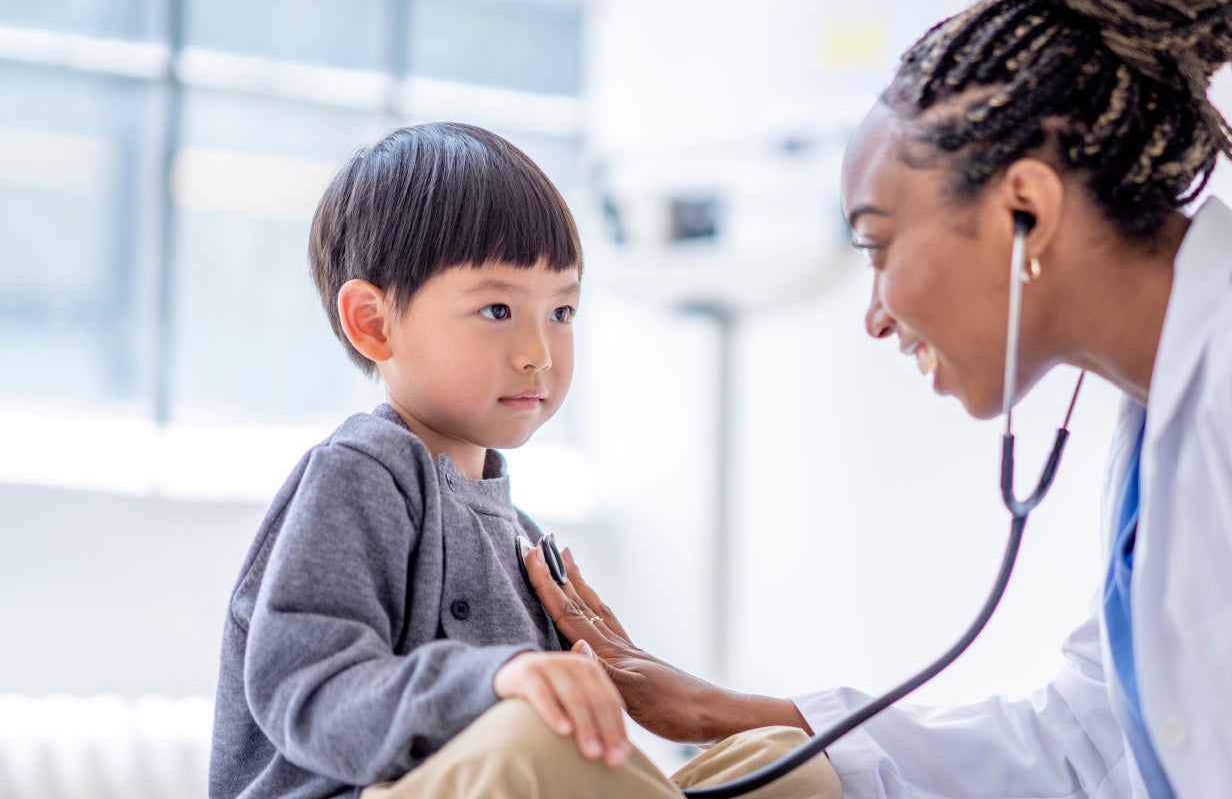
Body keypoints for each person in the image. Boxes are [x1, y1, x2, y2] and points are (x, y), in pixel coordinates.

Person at [519, 0, 1232, 797]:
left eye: (880, 243)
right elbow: (1084, 745)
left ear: (1025, 211)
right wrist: (713, 710)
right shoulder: (1164, 415)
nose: (875, 313)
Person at [208, 122, 842, 799]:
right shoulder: (361, 473)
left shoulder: (525, 537)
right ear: (374, 322)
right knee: (530, 737)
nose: (538, 350)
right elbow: (306, 685)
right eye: (499, 308)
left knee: (786, 759)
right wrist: (495, 681)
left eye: (562, 311)